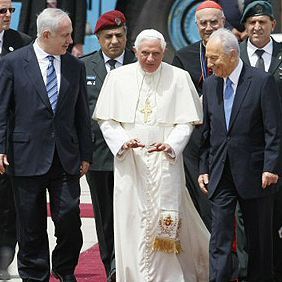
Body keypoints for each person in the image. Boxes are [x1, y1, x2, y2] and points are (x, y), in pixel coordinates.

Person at [94, 29, 209, 282]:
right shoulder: (117, 77)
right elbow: (106, 121)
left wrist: (171, 145)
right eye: (144, 53)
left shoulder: (178, 77)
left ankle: (168, 276)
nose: (149, 59)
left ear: (164, 52)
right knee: (131, 220)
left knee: (164, 216)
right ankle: (133, 275)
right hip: (130, 162)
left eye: (155, 54)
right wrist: (123, 142)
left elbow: (187, 122)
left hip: (165, 162)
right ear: (135, 51)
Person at [0, 8, 92, 282]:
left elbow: (81, 113)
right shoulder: (13, 63)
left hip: (65, 157)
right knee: (30, 224)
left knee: (69, 218)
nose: (70, 40)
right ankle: (34, 275)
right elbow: (2, 109)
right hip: (25, 155)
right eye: (65, 35)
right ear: (46, 34)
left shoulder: (75, 65)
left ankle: (64, 269)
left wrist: (85, 153)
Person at [199, 28, 281, 281]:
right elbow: (208, 132)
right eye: (208, 58)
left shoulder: (261, 81)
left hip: (256, 173)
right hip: (221, 172)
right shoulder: (211, 84)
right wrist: (204, 167)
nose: (210, 64)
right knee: (220, 236)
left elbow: (274, 130)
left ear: (233, 55)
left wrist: (271, 166)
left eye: (214, 58)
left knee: (258, 239)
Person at [80, 10, 136, 282]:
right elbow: (79, 113)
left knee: (134, 215)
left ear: (127, 36)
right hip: (99, 156)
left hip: (136, 156)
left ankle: (129, 265)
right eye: (108, 36)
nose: (114, 41)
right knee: (105, 217)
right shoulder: (83, 66)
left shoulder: (141, 62)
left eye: (119, 35)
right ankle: (110, 267)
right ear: (98, 38)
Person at [172, 0, 225, 232]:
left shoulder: (238, 51)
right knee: (203, 200)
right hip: (198, 138)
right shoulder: (184, 57)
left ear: (223, 22)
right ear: (196, 25)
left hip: (230, 135)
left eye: (214, 22)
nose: (208, 27)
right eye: (203, 23)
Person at [239, 1, 282, 281]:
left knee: (275, 216)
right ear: (245, 27)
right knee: (244, 218)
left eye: (262, 22)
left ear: (273, 26)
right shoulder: (236, 54)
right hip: (245, 151)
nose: (257, 27)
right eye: (252, 23)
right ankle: (246, 272)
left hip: (278, 148)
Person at [0, 0, 32, 279]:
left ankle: (2, 261)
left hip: (9, 137)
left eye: (11, 10)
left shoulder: (22, 43)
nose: (9, 15)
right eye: (2, 11)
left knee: (8, 204)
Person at [18, 0, 86, 57]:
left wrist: (78, 43)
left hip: (65, 37)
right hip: (35, 34)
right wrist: (21, 39)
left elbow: (80, 11)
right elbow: (25, 12)